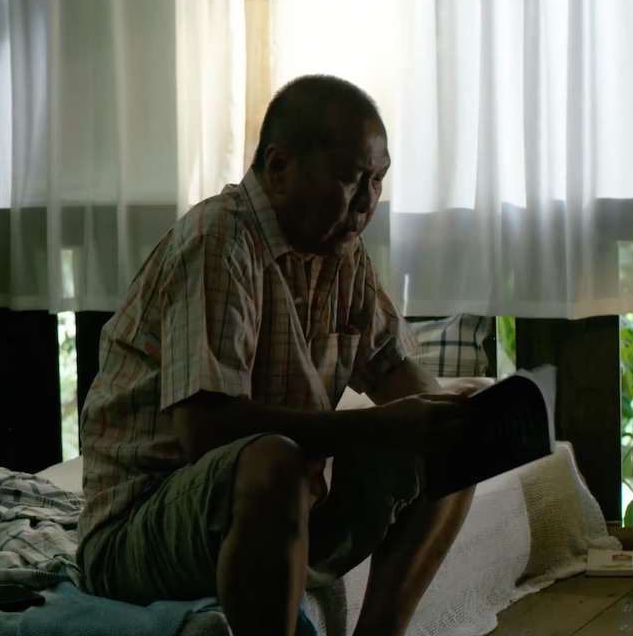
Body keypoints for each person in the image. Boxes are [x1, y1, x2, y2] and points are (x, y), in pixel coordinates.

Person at [77, 74, 476, 636]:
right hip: (138, 528)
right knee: (274, 462)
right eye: (350, 179)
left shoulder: (341, 253)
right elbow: (206, 433)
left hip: (280, 511)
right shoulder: (220, 239)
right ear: (279, 166)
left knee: (455, 441)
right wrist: (378, 425)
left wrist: (460, 417)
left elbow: (400, 376)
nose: (367, 203)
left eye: (378, 181)